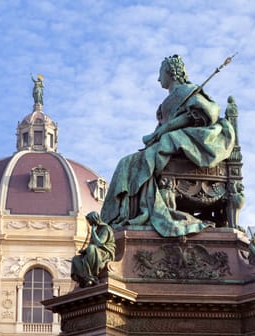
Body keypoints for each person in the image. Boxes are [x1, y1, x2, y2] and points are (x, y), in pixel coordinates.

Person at [100, 55, 235, 237]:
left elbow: (200, 115)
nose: (158, 79)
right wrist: (158, 132)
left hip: (186, 145)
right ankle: (122, 215)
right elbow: (162, 129)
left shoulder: (189, 91)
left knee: (143, 158)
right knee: (126, 163)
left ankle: (136, 213)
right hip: (169, 145)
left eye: (160, 74)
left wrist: (164, 130)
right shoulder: (170, 100)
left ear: (170, 73)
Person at [71, 212, 116, 287]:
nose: (89, 223)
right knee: (76, 259)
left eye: (90, 221)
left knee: (91, 248)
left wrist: (93, 232)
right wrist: (83, 251)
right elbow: (91, 244)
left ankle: (92, 275)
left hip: (105, 252)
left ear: (95, 219)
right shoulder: (95, 230)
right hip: (95, 251)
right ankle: (87, 278)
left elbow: (100, 243)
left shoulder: (106, 228)